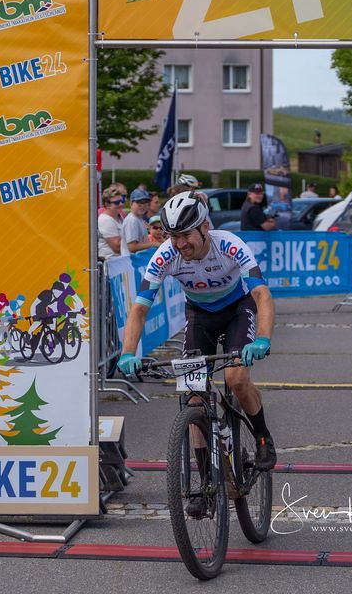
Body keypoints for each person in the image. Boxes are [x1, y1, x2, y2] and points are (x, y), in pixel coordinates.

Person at [118, 193, 278, 504]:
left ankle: (262, 437)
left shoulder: (229, 245)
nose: (180, 244)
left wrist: (262, 338)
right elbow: (139, 308)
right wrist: (128, 353)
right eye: (173, 236)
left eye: (185, 235)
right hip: (199, 315)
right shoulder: (165, 255)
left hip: (237, 309)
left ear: (205, 227)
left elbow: (261, 295)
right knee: (194, 395)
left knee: (235, 378)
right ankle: (206, 482)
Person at [122, 190, 158, 254]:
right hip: (131, 259)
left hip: (137, 258)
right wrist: (154, 244)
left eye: (146, 202)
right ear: (131, 203)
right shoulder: (132, 220)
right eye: (139, 203)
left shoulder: (139, 219)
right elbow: (132, 247)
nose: (143, 205)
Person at [97, 189, 125, 260]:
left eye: (122, 201)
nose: (121, 204)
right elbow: (117, 247)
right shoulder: (105, 220)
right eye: (117, 202)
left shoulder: (119, 216)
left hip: (120, 260)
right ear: (107, 205)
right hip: (110, 262)